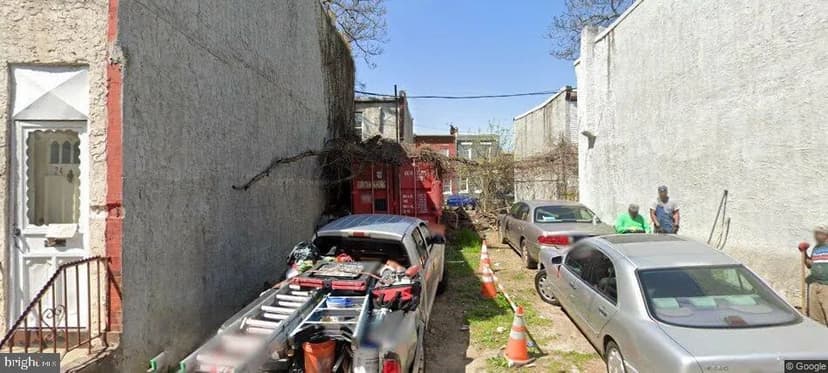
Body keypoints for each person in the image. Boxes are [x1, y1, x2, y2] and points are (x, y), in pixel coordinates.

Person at [805, 224, 828, 325]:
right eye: (815, 234)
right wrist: (804, 252)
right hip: (815, 285)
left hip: (826, 286)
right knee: (816, 318)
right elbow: (810, 264)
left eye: (819, 234)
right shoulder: (816, 248)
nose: (816, 236)